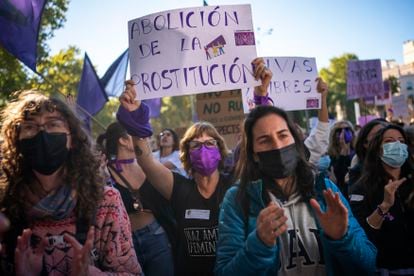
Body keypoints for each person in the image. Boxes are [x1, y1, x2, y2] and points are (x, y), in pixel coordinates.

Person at [115, 58, 272, 275]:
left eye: (210, 143)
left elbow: (258, 141)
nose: (204, 149)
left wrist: (261, 96)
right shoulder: (177, 187)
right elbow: (147, 162)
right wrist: (134, 117)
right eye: (196, 145)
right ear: (187, 153)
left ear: (220, 149)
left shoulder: (234, 183)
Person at [215, 90, 377, 274]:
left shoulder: (325, 190)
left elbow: (369, 265)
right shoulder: (238, 199)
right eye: (264, 140)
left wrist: (342, 238)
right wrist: (258, 244)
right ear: (254, 154)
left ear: (295, 140)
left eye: (283, 135)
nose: (277, 146)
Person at [0, 91, 141, 275]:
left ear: (72, 139)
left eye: (53, 124)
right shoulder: (5, 208)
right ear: (17, 140)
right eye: (29, 127)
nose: (42, 133)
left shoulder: (106, 202)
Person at [97, 122, 175, 276]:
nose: (143, 139)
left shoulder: (150, 166)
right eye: (137, 136)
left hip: (156, 236)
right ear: (123, 140)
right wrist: (101, 180)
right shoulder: (106, 170)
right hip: (123, 242)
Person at [349, 125, 414, 274]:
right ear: (378, 149)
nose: (397, 145)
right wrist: (384, 206)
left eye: (401, 141)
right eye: (389, 141)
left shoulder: (411, 180)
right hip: (385, 267)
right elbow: (361, 235)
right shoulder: (362, 187)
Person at [347, 119, 389, 192]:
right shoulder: (357, 171)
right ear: (365, 143)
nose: (383, 138)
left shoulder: (401, 164)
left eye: (385, 133)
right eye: (377, 134)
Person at [327, 120, 356, 197]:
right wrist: (343, 150)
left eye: (347, 129)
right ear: (333, 135)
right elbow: (339, 177)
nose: (343, 133)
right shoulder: (330, 156)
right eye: (339, 130)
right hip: (342, 194)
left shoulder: (358, 153)